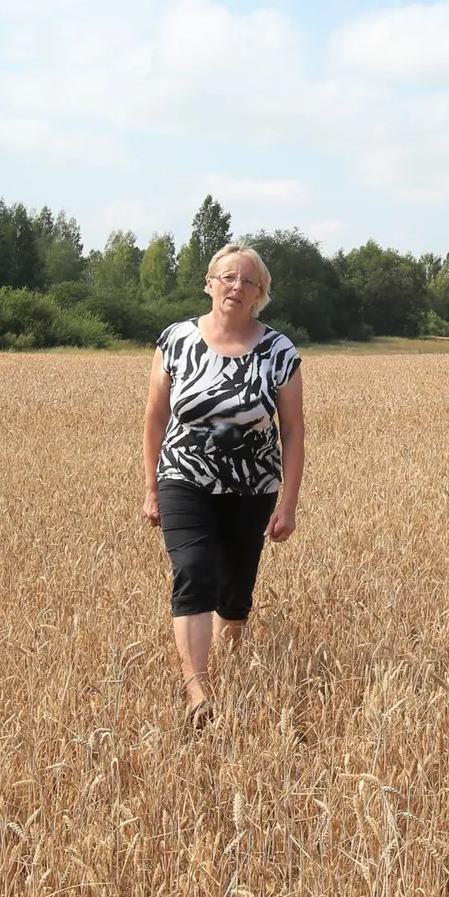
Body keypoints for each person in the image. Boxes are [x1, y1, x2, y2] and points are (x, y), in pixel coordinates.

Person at [142, 245, 304, 725]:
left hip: (252, 486)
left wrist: (289, 501)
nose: (236, 287)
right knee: (194, 572)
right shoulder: (176, 340)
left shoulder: (279, 351)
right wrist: (151, 487)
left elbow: (293, 431)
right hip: (183, 477)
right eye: (227, 277)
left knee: (235, 590)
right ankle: (198, 692)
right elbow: (155, 417)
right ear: (209, 282)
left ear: (260, 294)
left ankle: (229, 655)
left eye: (248, 281)